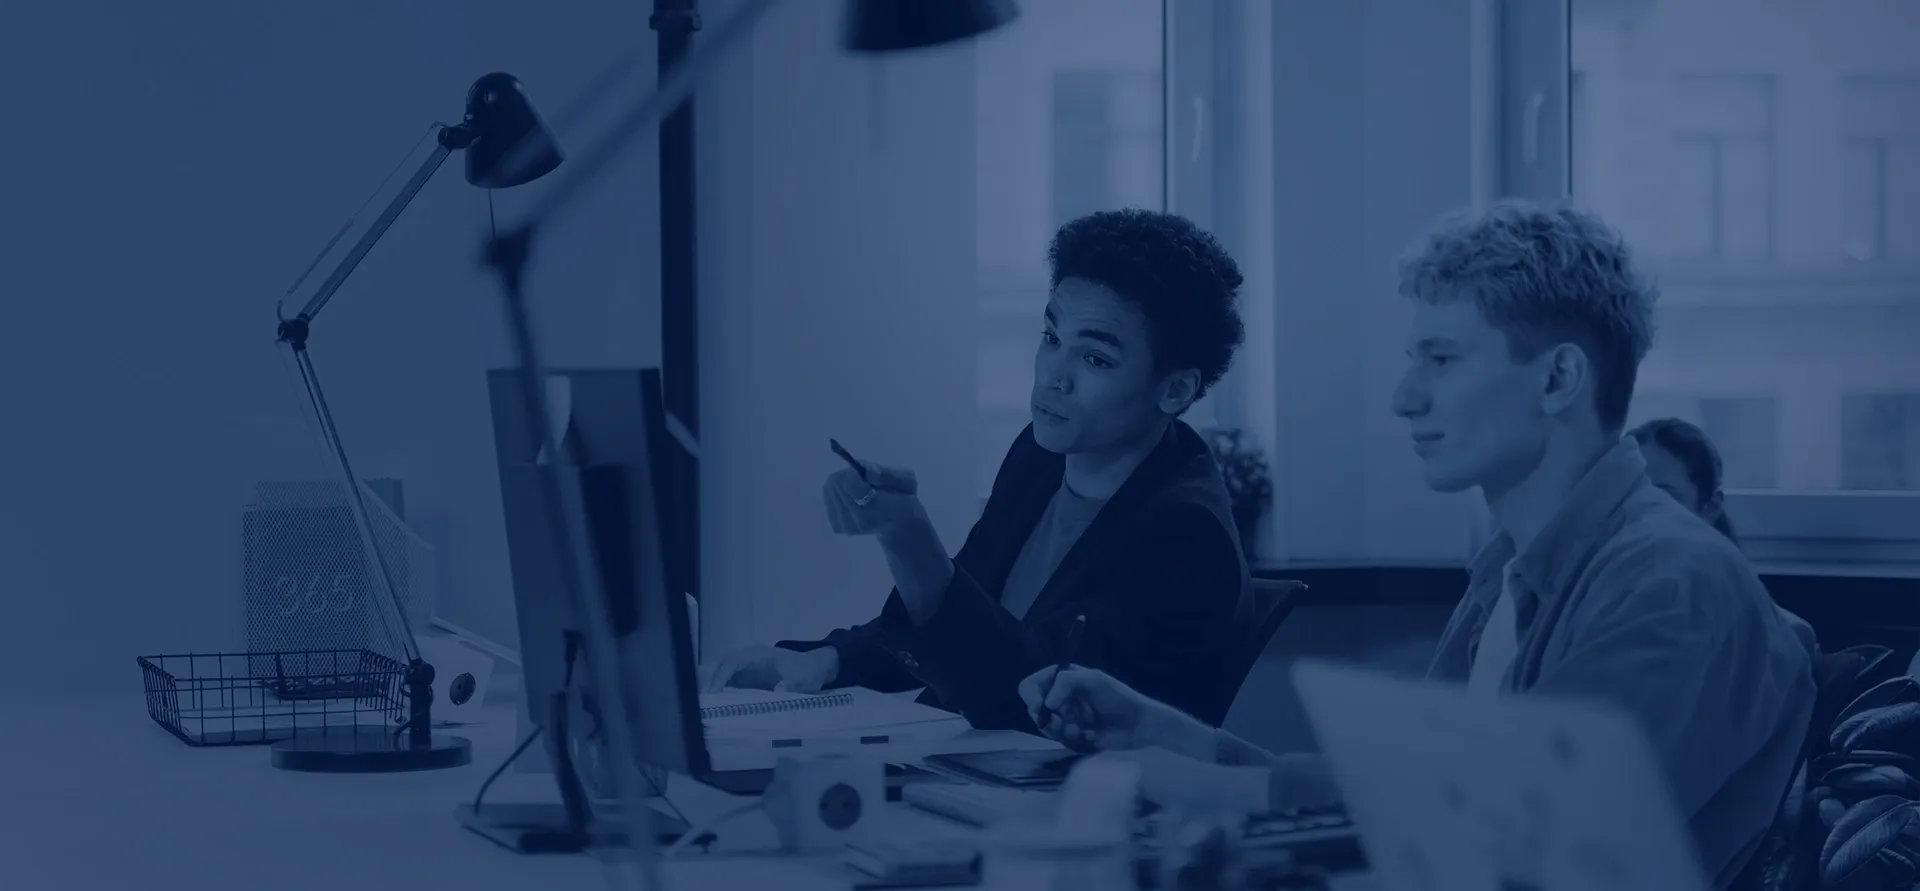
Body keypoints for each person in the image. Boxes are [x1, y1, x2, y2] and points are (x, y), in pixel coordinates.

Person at [1022, 200, 1817, 890]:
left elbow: (1515, 847)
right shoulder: (1508, 571)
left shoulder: (1668, 581)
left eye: (1442, 359)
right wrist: (1169, 735)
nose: (1405, 397)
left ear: (1557, 379)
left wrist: (1204, 789)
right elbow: (1416, 798)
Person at [702, 208, 1256, 733]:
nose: (1053, 378)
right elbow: (961, 619)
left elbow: (1024, 700)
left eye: (1095, 359)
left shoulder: (1186, 535)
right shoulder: (1041, 457)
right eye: (1051, 338)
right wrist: (826, 661)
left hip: (1068, 794)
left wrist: (908, 538)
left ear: (1175, 390)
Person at [1630, 417, 1819, 651]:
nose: (1639, 511)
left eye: (1662, 498)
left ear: (1710, 507)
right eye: (1628, 494)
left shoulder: (1772, 636)